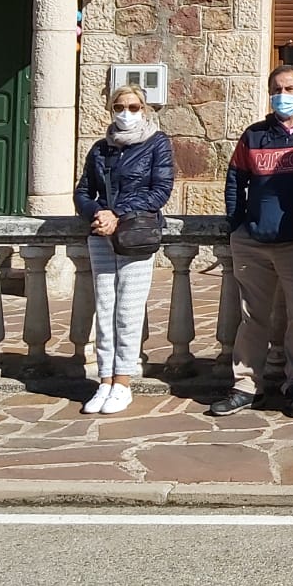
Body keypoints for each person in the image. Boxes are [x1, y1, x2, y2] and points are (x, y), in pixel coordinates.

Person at [210, 64, 293, 419]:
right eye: (276, 89)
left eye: (288, 89)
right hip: (254, 242)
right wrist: (237, 223)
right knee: (252, 316)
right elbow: (234, 179)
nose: (281, 96)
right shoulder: (255, 135)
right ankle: (245, 384)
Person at [70, 83, 174, 416]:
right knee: (105, 309)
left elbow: (160, 191)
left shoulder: (157, 144)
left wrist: (117, 213)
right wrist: (96, 213)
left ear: (144, 109)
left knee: (128, 311)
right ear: (110, 110)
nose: (126, 113)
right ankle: (104, 380)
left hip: (136, 236)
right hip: (101, 236)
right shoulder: (101, 149)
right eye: (119, 107)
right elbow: (83, 191)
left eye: (133, 107)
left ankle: (123, 383)